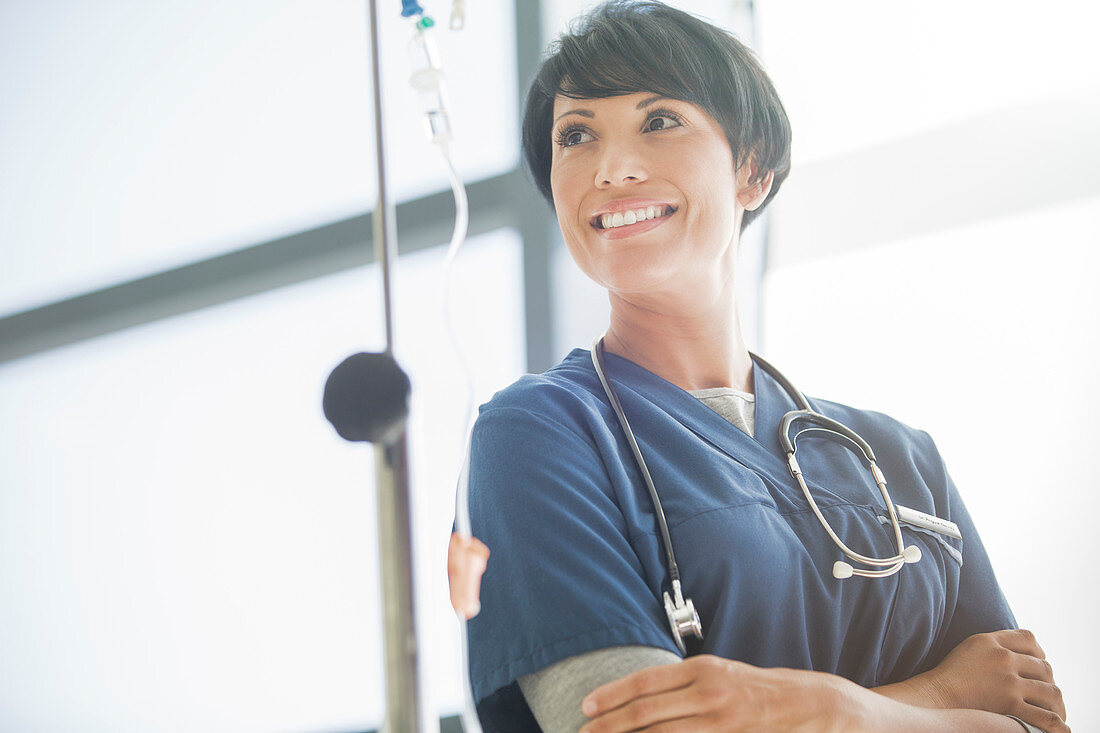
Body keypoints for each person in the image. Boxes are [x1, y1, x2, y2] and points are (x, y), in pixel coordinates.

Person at [448, 2, 1068, 731]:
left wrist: (811, 710)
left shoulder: (904, 461)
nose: (611, 168)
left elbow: (1034, 719)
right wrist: (932, 700)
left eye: (659, 120)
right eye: (576, 135)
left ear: (753, 170)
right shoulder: (537, 435)